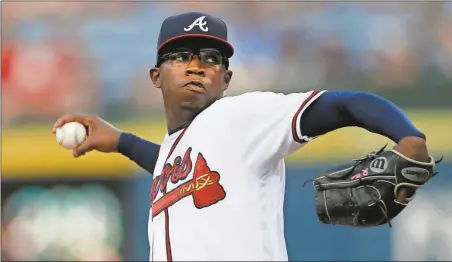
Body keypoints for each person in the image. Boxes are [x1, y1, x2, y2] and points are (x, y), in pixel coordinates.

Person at [53, 12, 432, 261]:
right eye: (182, 56)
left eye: (212, 59)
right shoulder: (181, 151)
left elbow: (343, 104)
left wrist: (408, 137)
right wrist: (121, 141)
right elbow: (171, 167)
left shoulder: (240, 117)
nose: (197, 66)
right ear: (156, 76)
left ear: (227, 79)